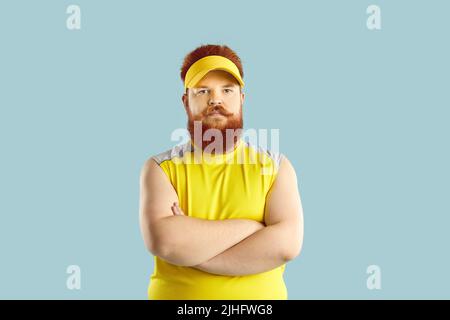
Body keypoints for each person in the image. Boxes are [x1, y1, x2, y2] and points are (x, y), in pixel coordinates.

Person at [139, 44, 304, 299]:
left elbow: (286, 246)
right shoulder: (160, 169)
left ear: (242, 99)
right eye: (203, 91)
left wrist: (193, 254)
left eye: (227, 90)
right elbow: (166, 243)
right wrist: (253, 227)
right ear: (186, 102)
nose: (215, 99)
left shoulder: (276, 167)